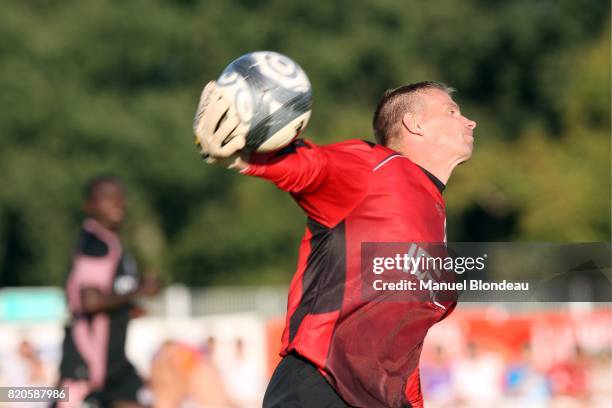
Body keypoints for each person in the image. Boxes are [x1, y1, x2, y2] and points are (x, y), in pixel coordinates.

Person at [193, 80, 477, 407]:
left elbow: (404, 346)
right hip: (320, 388)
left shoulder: (435, 218)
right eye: (451, 111)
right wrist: (245, 155)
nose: (469, 121)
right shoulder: (376, 166)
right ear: (415, 124)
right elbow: (313, 167)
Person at [56, 175, 159, 408]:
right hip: (86, 367)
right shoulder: (95, 244)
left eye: (120, 197)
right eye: (108, 198)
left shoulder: (112, 243)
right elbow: (90, 300)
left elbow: (108, 294)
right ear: (90, 206)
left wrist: (128, 309)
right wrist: (139, 290)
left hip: (115, 367)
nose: (118, 203)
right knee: (18, 394)